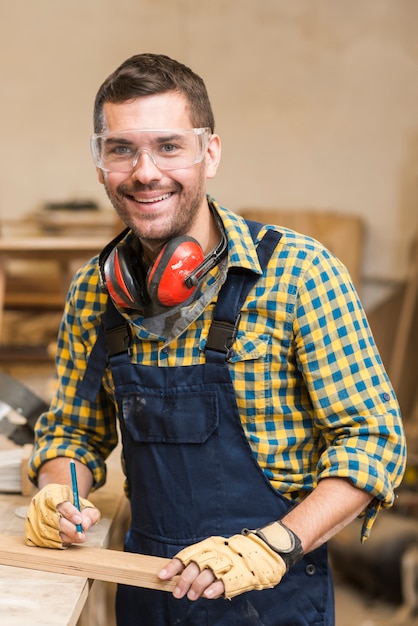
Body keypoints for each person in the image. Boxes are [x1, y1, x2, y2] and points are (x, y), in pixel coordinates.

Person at [25, 53, 406, 626]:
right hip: (149, 594)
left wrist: (272, 546)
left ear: (211, 152)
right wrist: (60, 493)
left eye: (169, 146)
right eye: (121, 148)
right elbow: (74, 434)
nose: (144, 171)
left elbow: (374, 442)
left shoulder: (300, 274)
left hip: (273, 601)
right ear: (101, 162)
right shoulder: (94, 292)